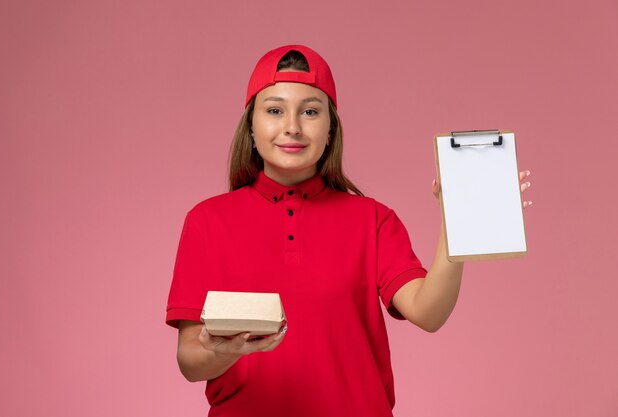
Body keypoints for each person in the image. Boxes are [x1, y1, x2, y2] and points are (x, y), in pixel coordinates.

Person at [165, 44, 532, 417]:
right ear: (251, 127)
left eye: (310, 111)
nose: (292, 126)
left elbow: (428, 312)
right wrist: (223, 351)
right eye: (274, 110)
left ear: (330, 129)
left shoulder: (372, 219)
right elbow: (190, 360)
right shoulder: (207, 221)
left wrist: (460, 222)